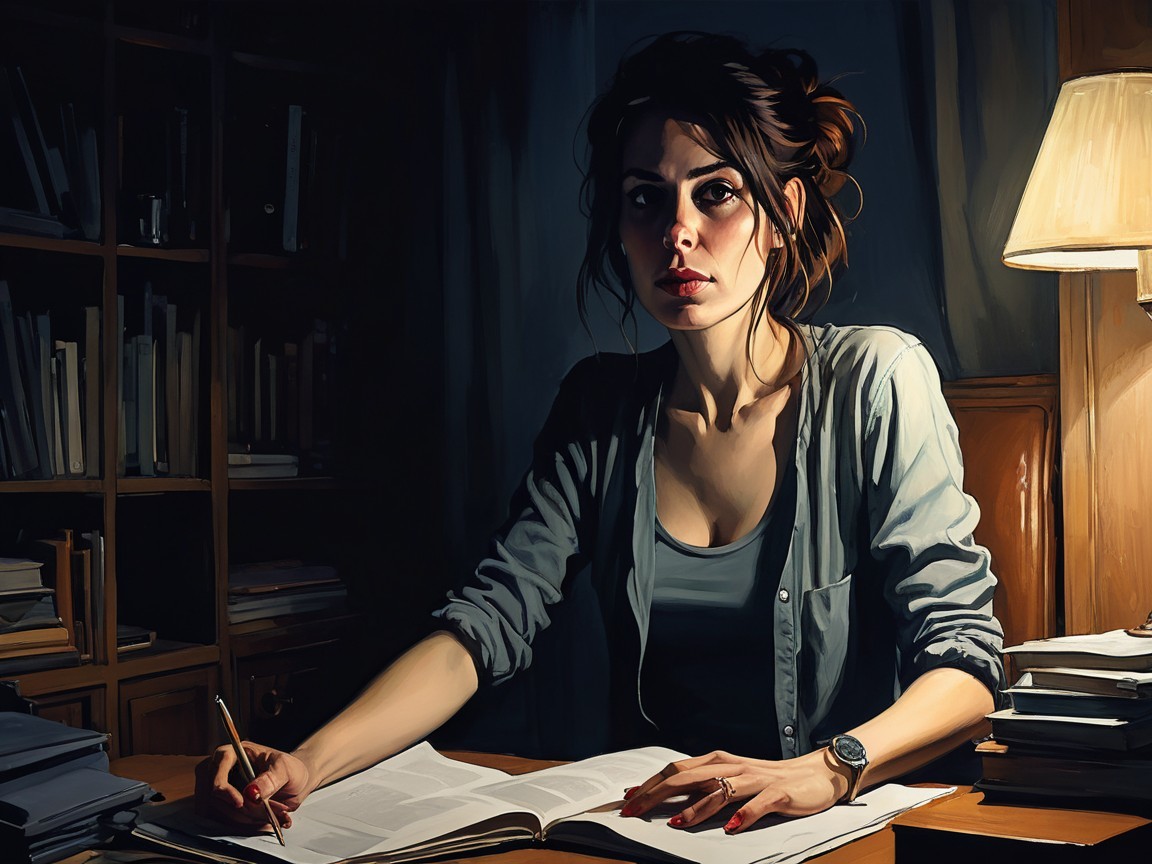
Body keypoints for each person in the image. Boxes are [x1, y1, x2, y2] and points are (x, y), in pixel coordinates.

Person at [197, 31, 1004, 837]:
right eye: (646, 197)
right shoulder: (601, 408)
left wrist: (826, 770)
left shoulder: (877, 381)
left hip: (837, 831)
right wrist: (308, 761)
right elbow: (484, 626)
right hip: (659, 834)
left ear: (781, 215)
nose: (677, 232)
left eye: (715, 193)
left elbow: (967, 669)